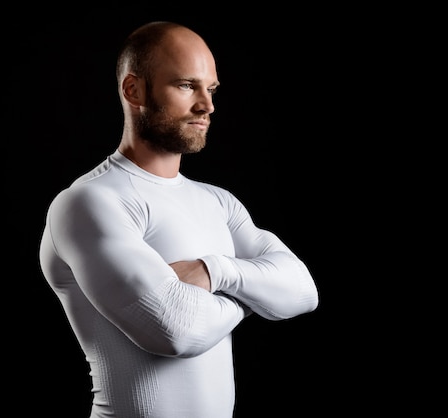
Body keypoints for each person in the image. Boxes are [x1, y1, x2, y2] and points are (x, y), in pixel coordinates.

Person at [39, 20, 319, 418]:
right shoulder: (88, 202)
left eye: (212, 89)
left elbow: (304, 291)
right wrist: (256, 296)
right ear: (133, 90)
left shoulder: (218, 202)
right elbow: (175, 331)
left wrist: (215, 272)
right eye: (187, 85)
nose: (207, 105)